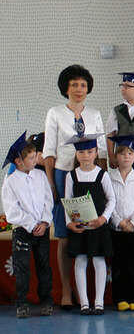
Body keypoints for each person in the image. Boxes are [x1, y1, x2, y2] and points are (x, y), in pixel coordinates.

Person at [43, 64, 107, 310]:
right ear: (65, 88)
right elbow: (49, 152)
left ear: (88, 88)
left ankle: (90, 295)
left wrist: (101, 181)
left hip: (90, 176)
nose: (79, 89)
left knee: (90, 229)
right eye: (74, 85)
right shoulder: (55, 113)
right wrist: (52, 185)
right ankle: (67, 290)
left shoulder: (95, 113)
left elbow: (102, 151)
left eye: (83, 85)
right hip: (63, 174)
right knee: (64, 234)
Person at [2, 132, 54, 318]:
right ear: (18, 161)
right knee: (22, 268)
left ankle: (46, 300)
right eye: (31, 158)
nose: (35, 160)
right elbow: (12, 211)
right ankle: (22, 303)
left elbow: (48, 200)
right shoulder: (10, 182)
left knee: (44, 266)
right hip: (23, 231)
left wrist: (45, 222)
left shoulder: (40, 176)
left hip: (42, 229)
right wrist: (32, 225)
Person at [64, 133, 116, 316]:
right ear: (76, 155)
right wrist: (69, 223)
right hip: (79, 227)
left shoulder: (102, 175)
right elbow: (67, 201)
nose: (85, 156)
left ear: (95, 153)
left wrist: (103, 218)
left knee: (99, 260)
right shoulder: (71, 176)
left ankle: (99, 302)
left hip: (98, 226)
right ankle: (84, 303)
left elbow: (112, 199)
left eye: (89, 152)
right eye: (81, 152)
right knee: (80, 260)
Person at [107, 135, 134, 312]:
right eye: (122, 153)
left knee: (132, 264)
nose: (126, 157)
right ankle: (120, 298)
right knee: (118, 264)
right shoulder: (109, 177)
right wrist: (119, 222)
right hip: (116, 228)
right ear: (116, 156)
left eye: (130, 153)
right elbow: (109, 202)